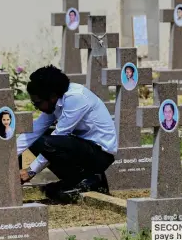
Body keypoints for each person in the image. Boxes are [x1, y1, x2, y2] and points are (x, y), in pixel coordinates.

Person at [17, 65, 117, 201]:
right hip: (82, 149)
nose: (37, 108)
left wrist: (30, 171)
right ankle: (76, 181)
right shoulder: (55, 102)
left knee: (47, 143)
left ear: (51, 96)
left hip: (100, 154)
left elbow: (59, 135)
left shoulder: (75, 98)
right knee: (39, 140)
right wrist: (6, 158)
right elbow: (33, 132)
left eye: (38, 103)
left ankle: (89, 179)